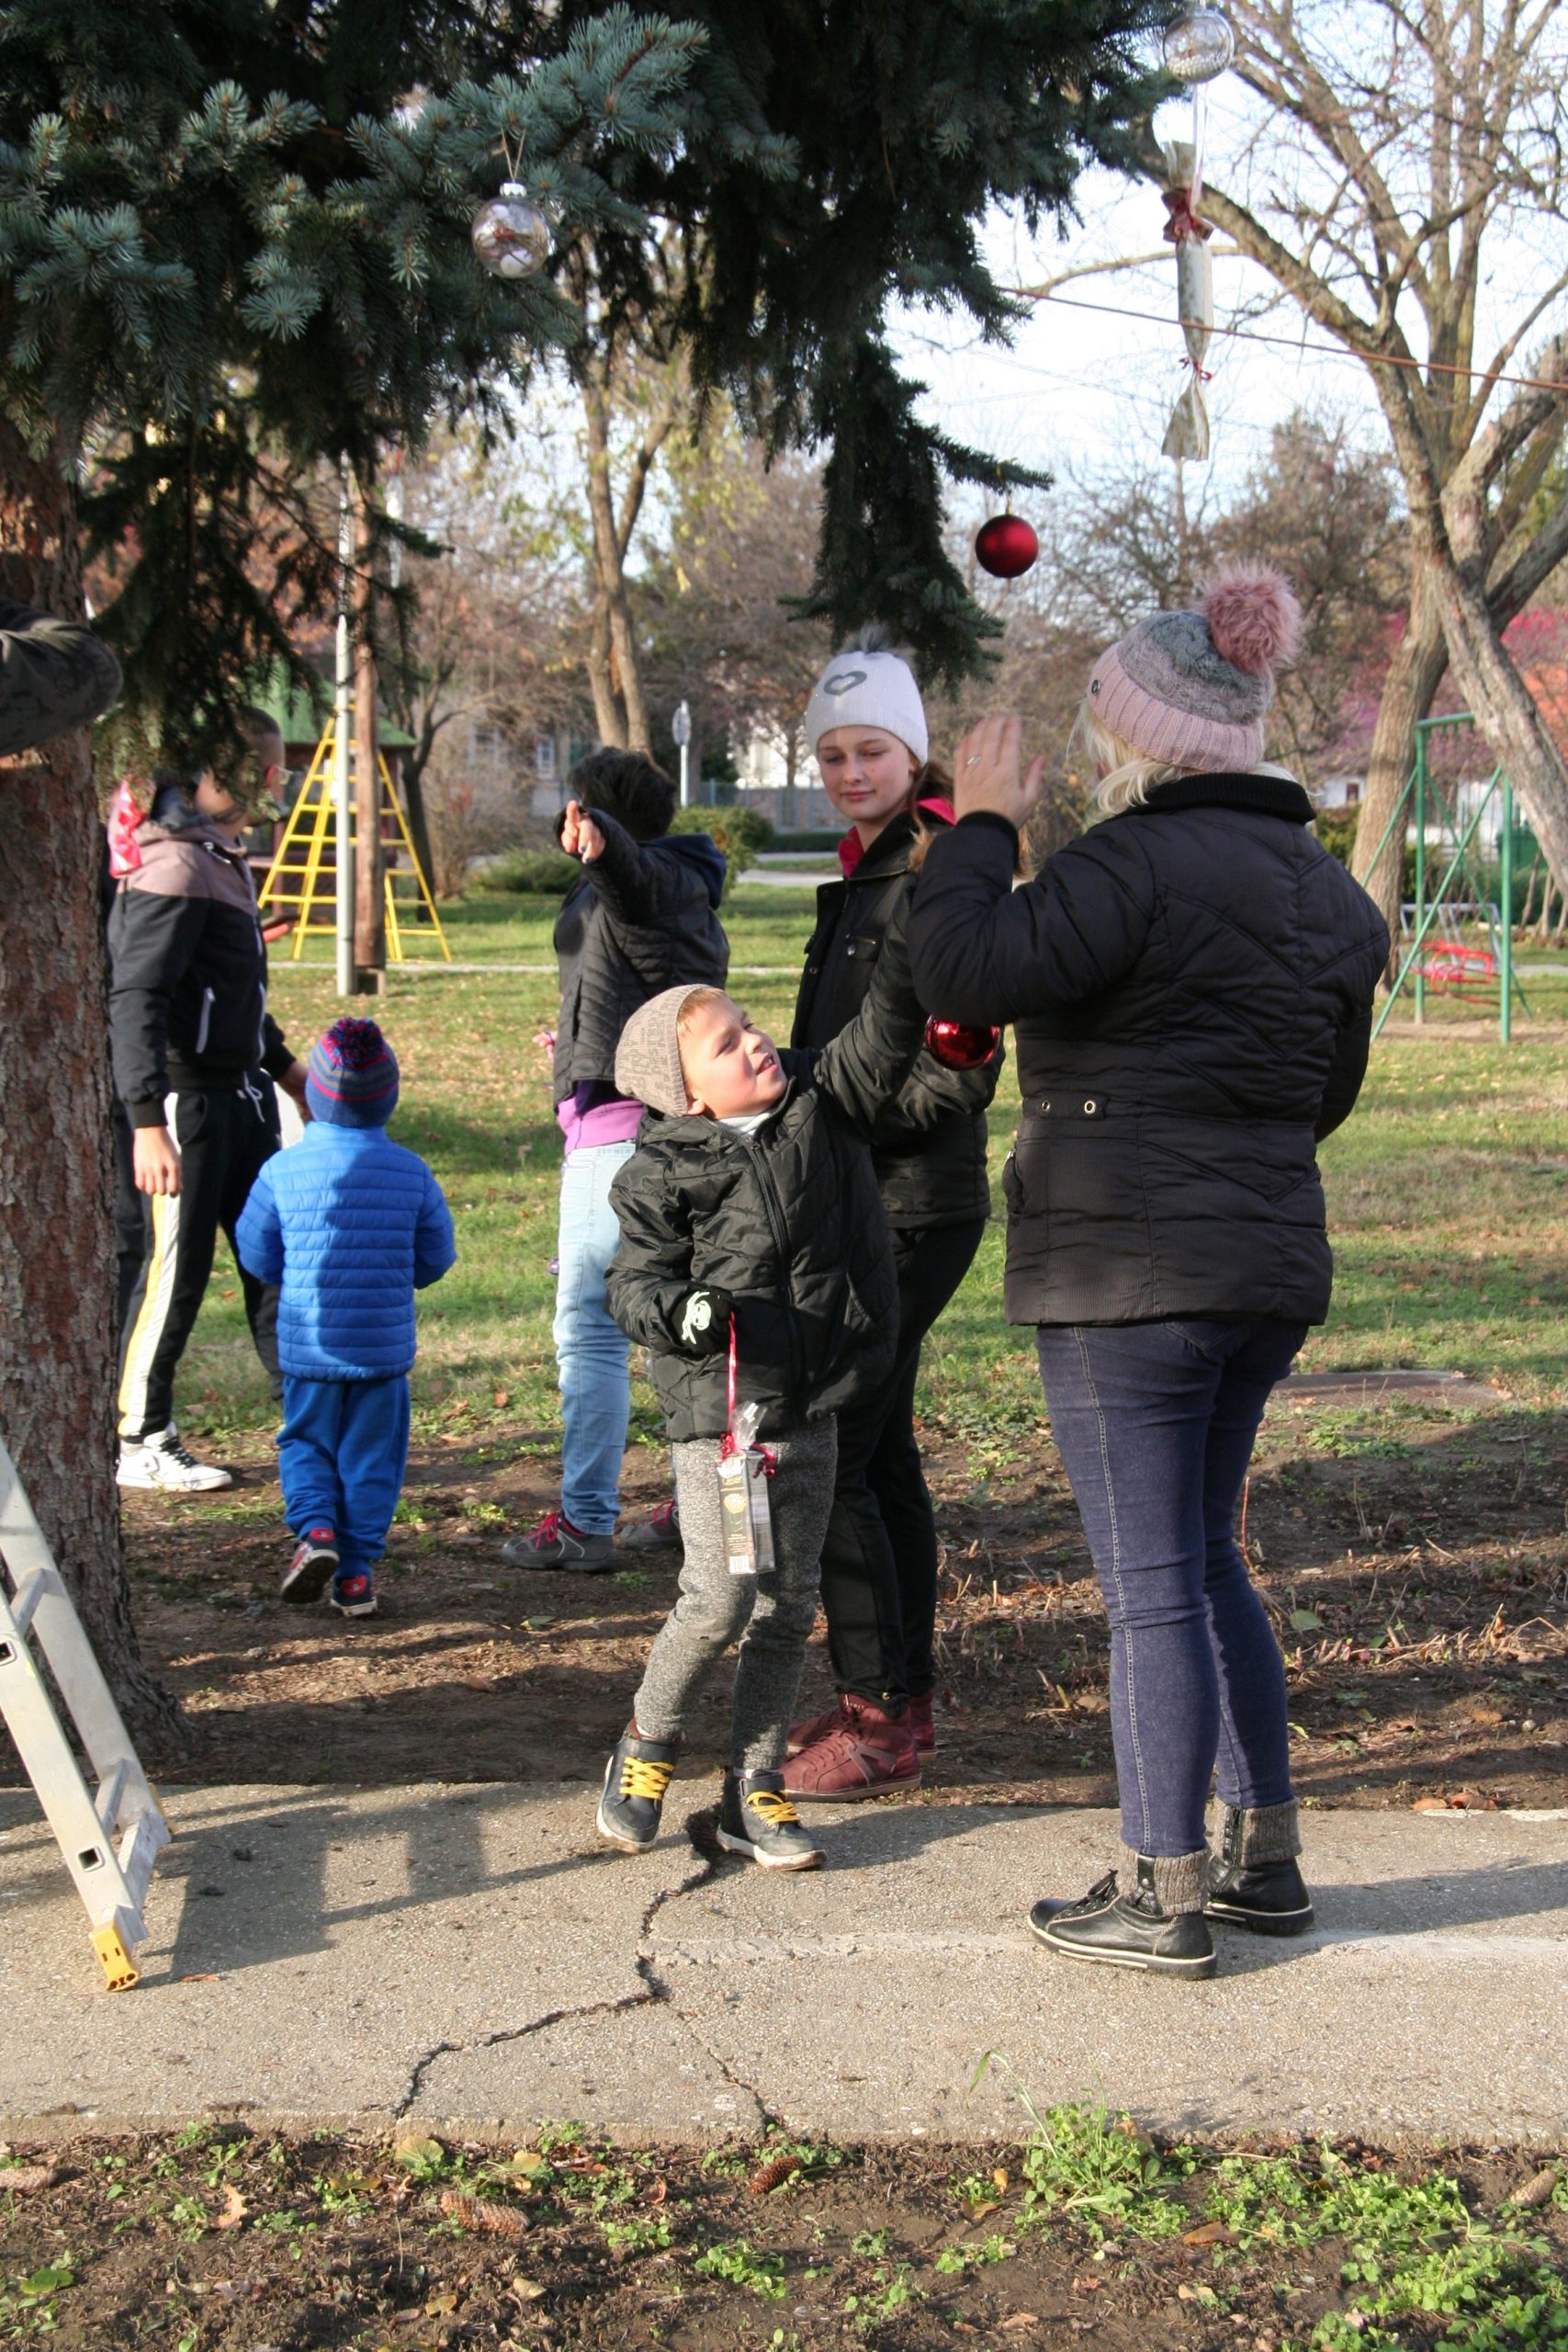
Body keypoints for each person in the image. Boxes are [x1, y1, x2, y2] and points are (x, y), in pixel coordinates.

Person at [906, 566, 1388, 1980]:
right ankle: (1262, 1855)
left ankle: (1158, 1887)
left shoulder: (1124, 866)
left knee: (1150, 1587)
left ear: (1140, 738)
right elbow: (1323, 1093)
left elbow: (960, 964)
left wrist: (981, 819)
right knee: (1202, 1559)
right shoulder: (1324, 893)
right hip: (1259, 1272)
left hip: (1124, 1273)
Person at [594, 933, 926, 1871]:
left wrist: (914, 942)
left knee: (786, 1606)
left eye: (750, 1024)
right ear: (688, 1091)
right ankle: (648, 1741)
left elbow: (880, 1036)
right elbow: (630, 1285)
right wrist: (683, 1309)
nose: (755, 1043)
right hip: (721, 1422)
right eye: (727, 1044)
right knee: (719, 1596)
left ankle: (751, 1788)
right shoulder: (662, 1169)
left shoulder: (821, 1106)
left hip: (812, 1405)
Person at [782, 639, 1003, 1801]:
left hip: (910, 1209)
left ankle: (876, 1721)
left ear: (913, 751)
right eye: (830, 752)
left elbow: (958, 1072)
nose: (848, 770)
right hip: (861, 1198)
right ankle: (899, 1695)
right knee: (885, 1451)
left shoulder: (934, 873)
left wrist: (808, 1091)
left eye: (869, 750)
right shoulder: (866, 870)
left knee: (834, 1457)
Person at [501, 751, 728, 1573]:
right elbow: (633, 978)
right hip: (655, 1122)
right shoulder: (682, 883)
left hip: (624, 1138)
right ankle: (691, 1505)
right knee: (677, 1325)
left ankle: (586, 1520)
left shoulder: (647, 879)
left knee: (594, 1332)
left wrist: (605, 852)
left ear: (600, 815)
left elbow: (630, 893)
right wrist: (574, 1040)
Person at [109, 746, 308, 1490]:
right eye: (263, 766)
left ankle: (308, 1420)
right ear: (209, 773)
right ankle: (140, 1437)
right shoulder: (173, 866)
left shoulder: (219, 858)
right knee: (175, 1273)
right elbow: (137, 997)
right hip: (180, 1105)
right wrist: (145, 1118)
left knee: (271, 1261)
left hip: (241, 1095)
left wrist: (285, 1070)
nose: (273, 782)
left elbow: (233, 993)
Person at [235, 1018, 456, 1620]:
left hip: (308, 1348)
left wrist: (298, 1269)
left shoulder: (281, 1171)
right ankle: (355, 1577)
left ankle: (316, 1534)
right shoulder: (411, 1172)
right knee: (372, 1461)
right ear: (389, 1096)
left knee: (305, 1442)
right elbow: (436, 1257)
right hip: (382, 1356)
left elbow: (255, 1253)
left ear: (313, 1094)